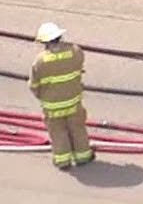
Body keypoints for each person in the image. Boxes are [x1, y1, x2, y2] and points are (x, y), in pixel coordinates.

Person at [28, 22, 94, 169]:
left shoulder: (40, 61)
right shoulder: (75, 51)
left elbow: (33, 85)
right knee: (77, 128)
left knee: (58, 132)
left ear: (45, 42)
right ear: (59, 36)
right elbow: (79, 70)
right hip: (74, 101)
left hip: (52, 106)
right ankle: (83, 156)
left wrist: (43, 97)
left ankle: (63, 160)